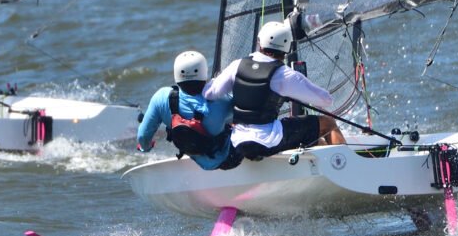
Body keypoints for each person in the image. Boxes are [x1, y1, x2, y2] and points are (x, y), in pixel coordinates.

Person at [203, 20, 346, 161]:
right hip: (268, 142)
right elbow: (326, 101)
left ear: (259, 42)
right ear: (287, 47)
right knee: (328, 123)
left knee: (303, 130)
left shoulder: (236, 65)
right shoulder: (285, 75)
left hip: (238, 141)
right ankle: (344, 164)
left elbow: (209, 93)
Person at [137, 51, 242, 170]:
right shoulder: (223, 99)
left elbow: (143, 135)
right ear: (204, 73)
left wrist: (145, 147)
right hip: (226, 161)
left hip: (192, 152)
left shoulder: (161, 98)